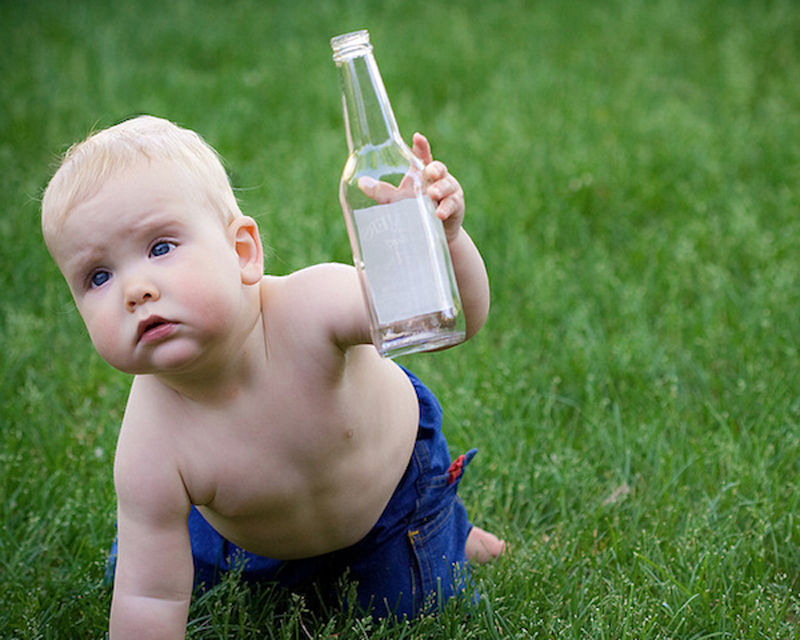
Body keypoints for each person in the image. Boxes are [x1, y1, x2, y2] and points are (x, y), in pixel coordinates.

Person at [41, 115, 504, 637]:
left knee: (405, 609)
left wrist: (445, 240)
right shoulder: (150, 444)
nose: (135, 288)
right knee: (139, 572)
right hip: (254, 531)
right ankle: (168, 535)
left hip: (390, 498)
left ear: (242, 252)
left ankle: (444, 527)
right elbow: (149, 598)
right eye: (97, 276)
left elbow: (450, 319)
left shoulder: (313, 308)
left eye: (161, 248)